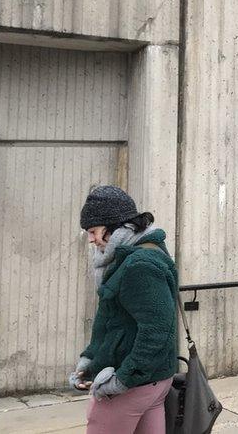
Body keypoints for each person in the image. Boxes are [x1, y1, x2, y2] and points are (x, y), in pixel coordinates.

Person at [70, 185, 179, 434]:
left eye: (93, 231)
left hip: (131, 385)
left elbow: (157, 330)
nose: (90, 239)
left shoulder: (138, 264)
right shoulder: (141, 253)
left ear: (115, 226)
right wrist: (90, 359)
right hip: (153, 381)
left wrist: (122, 380)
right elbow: (110, 318)